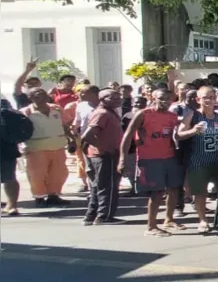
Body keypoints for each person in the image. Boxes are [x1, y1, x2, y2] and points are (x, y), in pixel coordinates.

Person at [119, 88, 185, 237]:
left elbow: (177, 134)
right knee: (156, 193)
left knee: (174, 189)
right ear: (153, 98)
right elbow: (128, 135)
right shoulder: (143, 114)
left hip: (169, 156)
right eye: (162, 98)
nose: (165, 102)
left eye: (169, 99)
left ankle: (169, 220)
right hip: (149, 158)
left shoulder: (172, 116)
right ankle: (151, 226)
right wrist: (122, 158)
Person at [177, 86, 218, 233]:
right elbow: (178, 135)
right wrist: (193, 130)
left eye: (212, 97)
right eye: (205, 97)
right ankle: (203, 220)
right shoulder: (192, 115)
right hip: (198, 160)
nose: (209, 100)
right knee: (200, 192)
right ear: (198, 99)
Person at [19, 88, 72, 207]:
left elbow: (66, 125)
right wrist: (22, 145)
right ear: (30, 98)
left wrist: (72, 139)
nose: (41, 97)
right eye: (37, 95)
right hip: (36, 148)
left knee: (59, 173)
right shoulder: (25, 112)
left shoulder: (56, 109)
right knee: (37, 174)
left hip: (57, 146)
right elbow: (20, 131)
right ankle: (39, 197)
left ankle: (53, 196)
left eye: (43, 94)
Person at [80, 89, 125, 225]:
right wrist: (105, 148)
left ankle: (91, 215)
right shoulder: (102, 113)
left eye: (119, 97)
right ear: (103, 99)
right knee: (108, 186)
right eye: (114, 97)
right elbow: (87, 135)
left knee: (98, 185)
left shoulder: (110, 112)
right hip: (105, 155)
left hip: (104, 154)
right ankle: (104, 216)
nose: (118, 99)